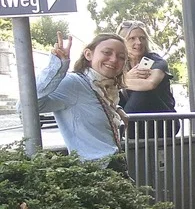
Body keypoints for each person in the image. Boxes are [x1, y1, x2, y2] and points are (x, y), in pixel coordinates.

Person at [35, 32, 128, 165]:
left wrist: (116, 108)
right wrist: (57, 66)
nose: (114, 60)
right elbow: (26, 105)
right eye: (107, 53)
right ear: (88, 54)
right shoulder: (74, 83)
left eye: (121, 57)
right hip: (94, 170)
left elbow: (90, 104)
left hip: (113, 165)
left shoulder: (106, 88)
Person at [117, 21, 176, 137]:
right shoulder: (117, 63)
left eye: (142, 38)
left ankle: (125, 129)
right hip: (133, 127)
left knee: (142, 92)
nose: (138, 42)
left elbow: (150, 84)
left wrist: (119, 81)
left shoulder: (156, 61)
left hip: (163, 123)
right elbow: (102, 85)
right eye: (132, 38)